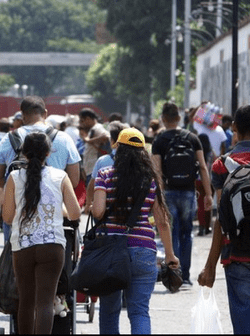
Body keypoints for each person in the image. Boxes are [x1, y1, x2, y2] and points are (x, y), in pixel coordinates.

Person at [93, 127, 179, 334]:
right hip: (143, 251)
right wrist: (169, 254)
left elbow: (97, 212)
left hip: (110, 252)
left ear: (118, 150)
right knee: (139, 311)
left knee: (109, 310)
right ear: (143, 152)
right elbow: (162, 221)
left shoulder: (105, 175)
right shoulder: (150, 180)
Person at [1, 132, 81, 334]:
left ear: (24, 154)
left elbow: (8, 217)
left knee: (26, 302)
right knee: (45, 302)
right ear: (48, 152)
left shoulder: (14, 177)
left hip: (23, 247)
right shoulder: (60, 176)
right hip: (52, 246)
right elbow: (74, 213)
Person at [0, 96, 81, 242]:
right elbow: (74, 180)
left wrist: (17, 186)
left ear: (22, 115)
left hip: (18, 215)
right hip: (54, 214)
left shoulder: (9, 138)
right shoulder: (64, 139)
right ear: (45, 113)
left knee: (14, 258)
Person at [198, 104, 250, 334]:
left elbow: (221, 219)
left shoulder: (223, 164)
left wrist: (210, 267)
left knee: (242, 320)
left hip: (236, 253)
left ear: (235, 127)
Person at [152, 102, 213, 286]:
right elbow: (202, 166)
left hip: (168, 192)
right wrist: (208, 194)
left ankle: (174, 274)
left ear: (163, 119)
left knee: (172, 232)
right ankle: (185, 277)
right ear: (179, 118)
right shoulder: (192, 138)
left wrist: (158, 196)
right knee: (187, 233)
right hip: (188, 192)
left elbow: (156, 170)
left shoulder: (159, 140)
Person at [85, 121, 130, 213]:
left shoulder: (103, 161)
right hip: (130, 210)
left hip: (106, 211)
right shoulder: (139, 160)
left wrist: (88, 204)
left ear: (113, 141)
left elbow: (92, 185)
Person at [79, 107, 110, 186]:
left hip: (94, 168)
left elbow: (106, 136)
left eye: (83, 121)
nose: (82, 123)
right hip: (90, 168)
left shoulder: (97, 128)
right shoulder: (92, 129)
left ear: (88, 119)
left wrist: (89, 141)